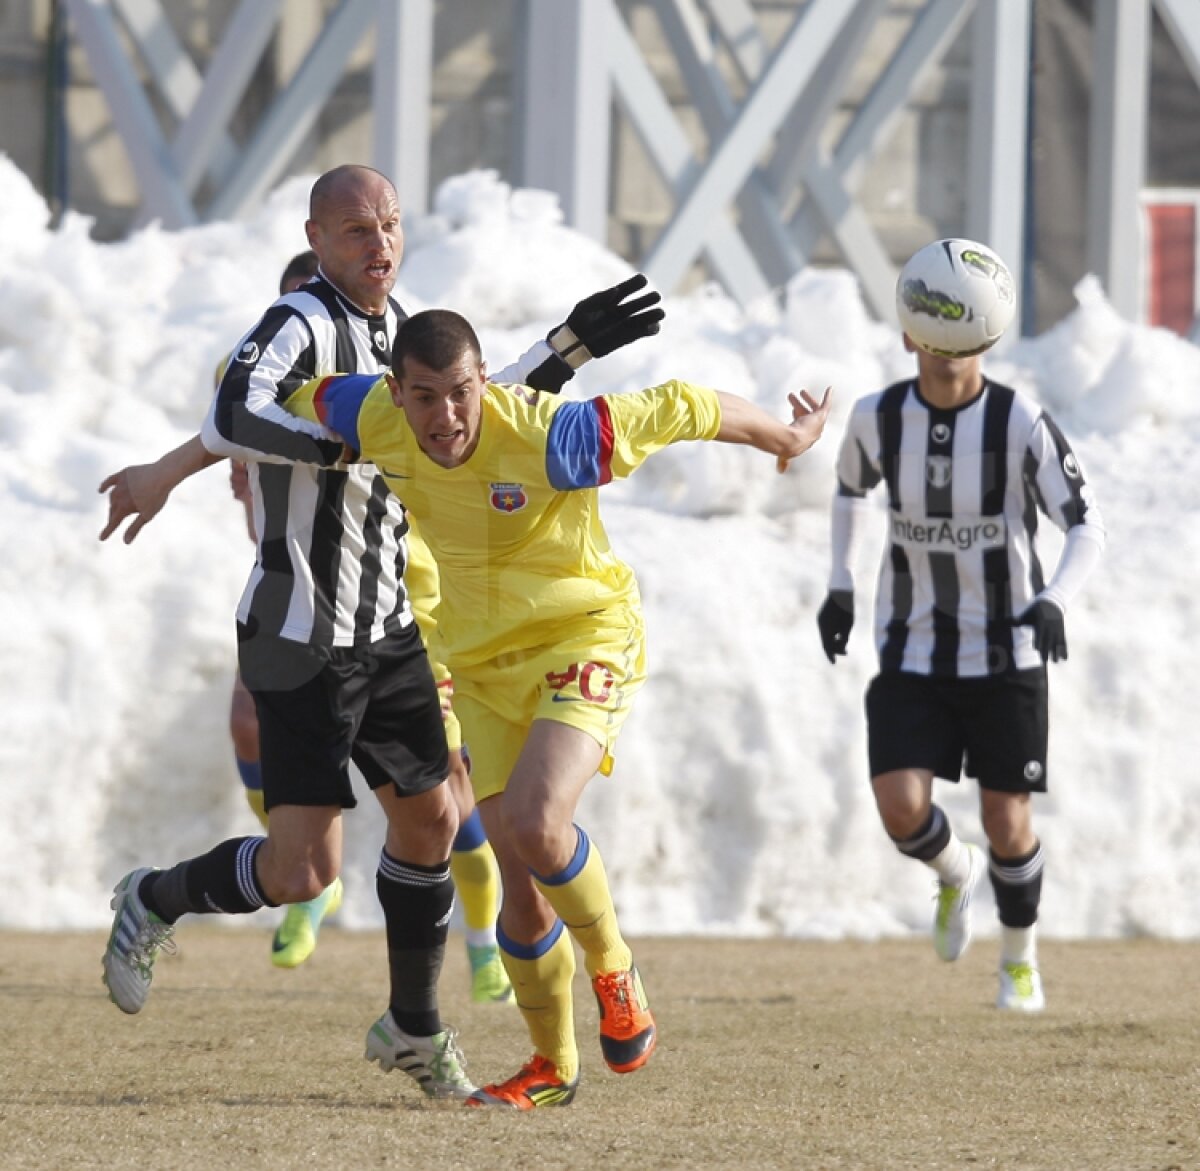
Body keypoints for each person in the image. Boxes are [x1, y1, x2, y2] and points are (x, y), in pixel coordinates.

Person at [97, 164, 664, 1100]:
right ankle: (152, 898)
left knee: (437, 816)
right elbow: (237, 410)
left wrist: (567, 347)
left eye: (391, 224)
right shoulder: (298, 322)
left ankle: (413, 1025)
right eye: (358, 229)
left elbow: (465, 407)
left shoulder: (399, 330)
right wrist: (339, 441)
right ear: (317, 237)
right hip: (299, 632)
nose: (380, 243)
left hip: (388, 624)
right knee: (301, 869)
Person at [280, 307, 833, 1108]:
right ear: (396, 393)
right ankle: (552, 1066)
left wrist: (784, 438)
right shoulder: (370, 414)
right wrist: (185, 461)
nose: (446, 417)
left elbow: (683, 403)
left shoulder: (552, 437)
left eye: (463, 393)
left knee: (538, 823)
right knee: (521, 877)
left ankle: (613, 966)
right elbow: (271, 398)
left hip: (584, 634)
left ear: (483, 382)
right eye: (426, 397)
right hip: (482, 668)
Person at [815, 312, 1105, 1014]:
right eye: (930, 330)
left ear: (987, 337)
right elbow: (851, 489)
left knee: (1008, 819)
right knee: (900, 807)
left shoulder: (1017, 420)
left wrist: (1056, 599)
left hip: (1007, 651)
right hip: (913, 644)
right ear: (909, 336)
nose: (947, 350)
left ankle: (1019, 961)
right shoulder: (877, 415)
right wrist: (841, 586)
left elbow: (1087, 522)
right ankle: (954, 869)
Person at [223, 248, 347, 969]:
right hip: (288, 585)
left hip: (393, 595)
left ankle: (485, 948)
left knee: (441, 796)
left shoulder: (371, 377)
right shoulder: (245, 377)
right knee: (247, 723)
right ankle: (304, 878)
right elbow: (227, 448)